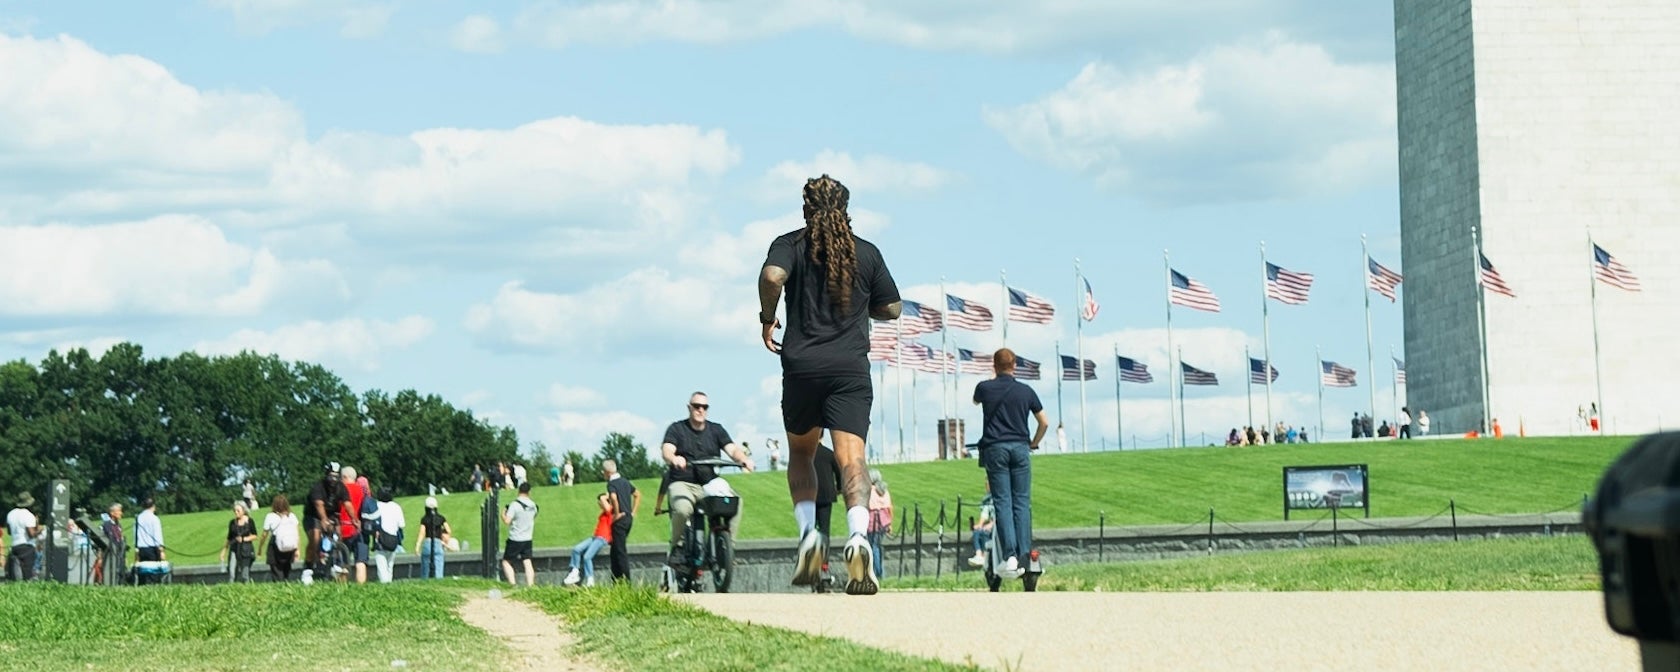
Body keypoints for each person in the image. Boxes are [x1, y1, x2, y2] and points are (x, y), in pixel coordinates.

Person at [758, 174, 901, 595]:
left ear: (805, 208)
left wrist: (768, 319)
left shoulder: (790, 244)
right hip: (849, 369)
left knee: (802, 454)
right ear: (846, 208)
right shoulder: (867, 253)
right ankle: (857, 537)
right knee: (851, 459)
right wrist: (862, 305)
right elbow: (891, 307)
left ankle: (808, 534)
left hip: (802, 366)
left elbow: (771, 277)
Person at [972, 348, 1049, 578]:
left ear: (994, 365)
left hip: (995, 449)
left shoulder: (984, 388)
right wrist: (1033, 443)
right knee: (1021, 503)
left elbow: (976, 401)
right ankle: (1026, 554)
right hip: (1020, 448)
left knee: (1003, 502)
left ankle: (1010, 555)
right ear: (1015, 365)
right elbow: (1044, 422)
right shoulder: (1026, 391)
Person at [660, 393, 751, 567]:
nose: (700, 410)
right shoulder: (677, 429)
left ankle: (726, 549)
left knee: (735, 502)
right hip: (683, 482)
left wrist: (743, 460)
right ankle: (677, 546)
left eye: (704, 407)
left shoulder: (716, 430)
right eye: (696, 406)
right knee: (682, 509)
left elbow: (732, 450)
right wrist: (674, 458)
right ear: (689, 407)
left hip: (710, 483)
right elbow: (667, 450)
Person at [602, 459, 641, 584]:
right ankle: (615, 580)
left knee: (620, 551)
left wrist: (617, 513)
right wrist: (633, 512)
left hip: (619, 520)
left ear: (607, 472)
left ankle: (626, 582)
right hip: (628, 519)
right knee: (615, 550)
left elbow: (613, 497)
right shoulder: (625, 482)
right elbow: (637, 494)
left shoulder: (612, 484)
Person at [564, 493, 614, 587]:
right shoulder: (604, 512)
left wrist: (608, 495)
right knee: (576, 549)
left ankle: (590, 580)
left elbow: (604, 499)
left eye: (600, 502)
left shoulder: (610, 511)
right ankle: (575, 571)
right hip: (595, 537)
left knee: (587, 557)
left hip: (602, 538)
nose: (599, 504)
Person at [305, 462, 348, 571]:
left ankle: (336, 561)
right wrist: (324, 519)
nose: (333, 479)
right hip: (313, 515)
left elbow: (348, 503)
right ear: (327, 475)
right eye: (331, 476)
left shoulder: (341, 487)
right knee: (315, 538)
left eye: (336, 476)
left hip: (331, 514)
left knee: (338, 535)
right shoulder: (318, 487)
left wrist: (354, 519)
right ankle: (309, 566)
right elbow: (319, 504)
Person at [500, 481, 538, 587]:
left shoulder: (514, 505)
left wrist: (502, 514)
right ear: (529, 492)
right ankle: (531, 585)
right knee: (527, 562)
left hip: (515, 538)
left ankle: (513, 584)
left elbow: (507, 521)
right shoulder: (533, 505)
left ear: (519, 491)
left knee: (506, 562)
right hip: (528, 538)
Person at [338, 466, 369, 584]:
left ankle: (341, 587)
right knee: (361, 561)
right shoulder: (362, 490)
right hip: (360, 529)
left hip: (344, 529)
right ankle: (361, 587)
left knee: (343, 561)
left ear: (345, 477)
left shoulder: (340, 489)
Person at [258, 495, 299, 582]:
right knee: (287, 568)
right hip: (289, 544)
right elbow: (296, 533)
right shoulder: (291, 516)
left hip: (275, 544)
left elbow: (264, 534)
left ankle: (279, 586)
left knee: (276, 569)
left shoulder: (270, 516)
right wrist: (297, 549)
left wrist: (260, 548)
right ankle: (286, 584)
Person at [372, 488, 405, 584]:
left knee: (381, 566)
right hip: (393, 539)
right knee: (390, 566)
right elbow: (402, 525)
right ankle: (389, 584)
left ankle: (384, 585)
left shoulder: (376, 506)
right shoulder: (396, 507)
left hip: (380, 539)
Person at [220, 502, 258, 583]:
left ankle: (247, 587)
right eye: (235, 510)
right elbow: (229, 538)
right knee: (232, 571)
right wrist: (224, 551)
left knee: (245, 574)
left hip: (245, 549)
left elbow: (255, 536)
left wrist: (244, 539)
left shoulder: (250, 521)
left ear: (243, 511)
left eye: (238, 510)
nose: (236, 512)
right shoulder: (232, 523)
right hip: (234, 548)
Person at [6, 492, 40, 581]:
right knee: (27, 573)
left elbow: (9, 532)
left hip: (15, 545)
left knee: (15, 571)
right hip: (27, 546)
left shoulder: (10, 514)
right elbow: (31, 534)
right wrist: (40, 529)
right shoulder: (28, 515)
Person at [415, 497, 451, 579]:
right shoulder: (441, 518)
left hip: (427, 543)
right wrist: (442, 536)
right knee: (438, 567)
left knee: (425, 569)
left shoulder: (424, 519)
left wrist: (418, 546)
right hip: (438, 542)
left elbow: (422, 533)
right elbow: (448, 530)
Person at [866, 470, 892, 579]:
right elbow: (889, 507)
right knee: (878, 546)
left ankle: (878, 573)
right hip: (884, 521)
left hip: (873, 521)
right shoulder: (884, 490)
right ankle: (880, 571)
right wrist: (890, 523)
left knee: (874, 547)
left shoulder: (869, 491)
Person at [134, 497, 165, 584]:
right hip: (152, 549)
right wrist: (161, 550)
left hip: (141, 549)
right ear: (153, 506)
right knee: (153, 573)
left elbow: (136, 535)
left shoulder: (138, 518)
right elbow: (157, 536)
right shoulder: (154, 519)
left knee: (143, 572)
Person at [967, 495, 995, 567]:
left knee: (985, 532)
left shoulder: (1003, 495)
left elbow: (1004, 513)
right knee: (977, 531)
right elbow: (985, 512)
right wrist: (980, 524)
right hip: (992, 523)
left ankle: (985, 556)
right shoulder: (989, 498)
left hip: (1001, 524)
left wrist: (992, 524)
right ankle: (978, 555)